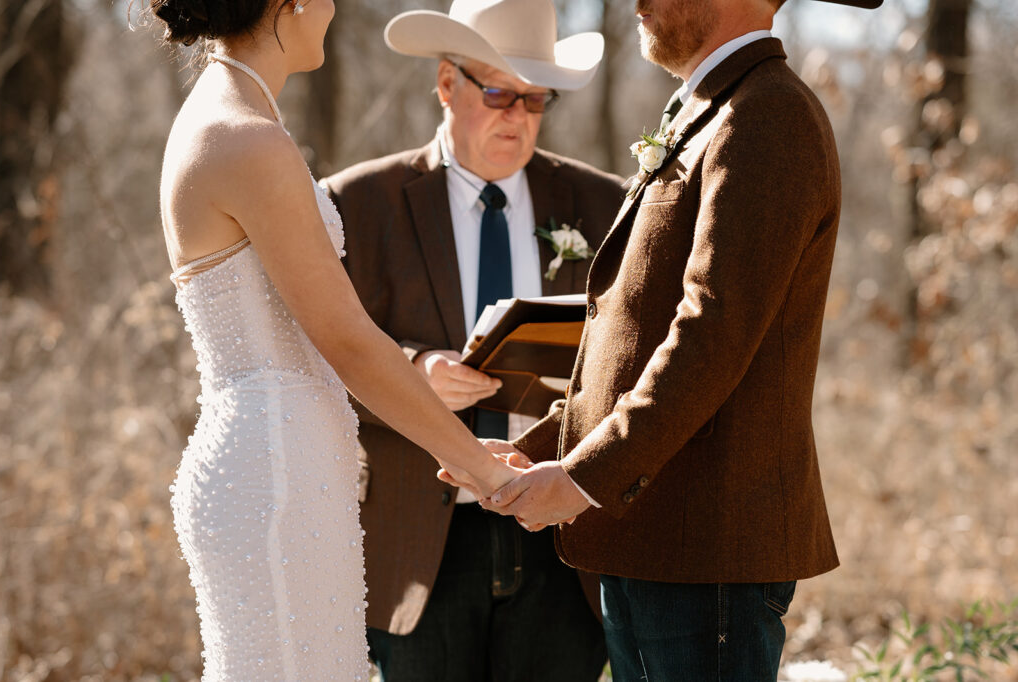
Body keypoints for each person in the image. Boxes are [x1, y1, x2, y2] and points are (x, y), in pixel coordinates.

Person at [447, 0, 881, 679]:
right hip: (654, 539)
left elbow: (712, 335)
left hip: (703, 553)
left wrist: (587, 477)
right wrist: (541, 453)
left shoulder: (768, 113)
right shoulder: (709, 108)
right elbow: (638, 335)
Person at [152, 0, 520, 679]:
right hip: (279, 473)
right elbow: (347, 341)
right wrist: (480, 467)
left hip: (274, 460)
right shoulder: (248, 138)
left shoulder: (222, 118)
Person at [320, 1, 623, 680]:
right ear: (446, 83)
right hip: (420, 542)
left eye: (534, 99)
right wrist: (412, 371)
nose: (516, 117)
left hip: (559, 536)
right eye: (497, 92)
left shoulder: (603, 205)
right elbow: (315, 360)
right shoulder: (357, 204)